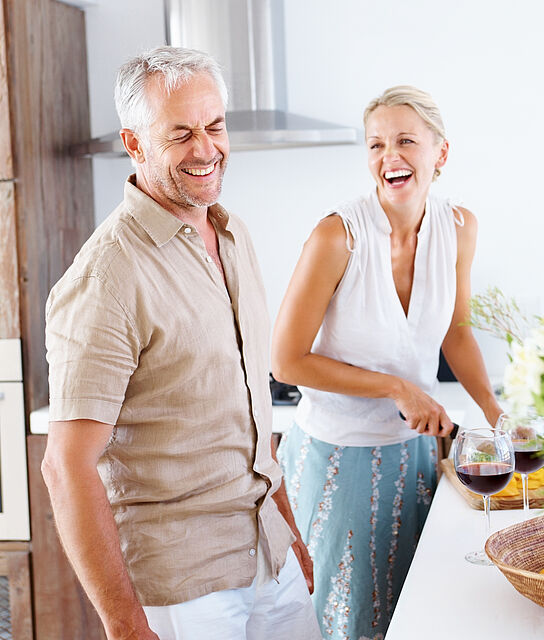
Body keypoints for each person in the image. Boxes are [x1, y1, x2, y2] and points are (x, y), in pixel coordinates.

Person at [42, 46, 322, 640]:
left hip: (271, 557)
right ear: (135, 144)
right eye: (180, 134)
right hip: (184, 587)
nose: (205, 148)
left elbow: (255, 418)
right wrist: (125, 623)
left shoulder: (232, 233)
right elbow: (67, 467)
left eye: (214, 126)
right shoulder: (106, 277)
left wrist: (291, 533)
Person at [271, 85, 503, 639]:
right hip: (336, 460)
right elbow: (285, 361)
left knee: (411, 618)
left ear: (440, 153)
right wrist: (398, 388)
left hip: (413, 458)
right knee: (347, 622)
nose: (389, 157)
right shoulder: (337, 236)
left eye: (405, 141)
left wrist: (497, 416)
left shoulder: (459, 227)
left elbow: (458, 332)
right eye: (376, 144)